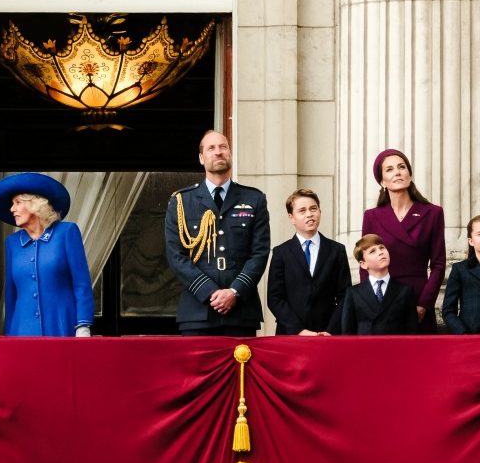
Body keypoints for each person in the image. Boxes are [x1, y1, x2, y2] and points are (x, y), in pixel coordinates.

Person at [164, 130, 270, 336]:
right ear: (201, 158)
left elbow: (260, 253)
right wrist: (210, 292)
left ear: (230, 153)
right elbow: (175, 256)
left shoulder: (254, 199)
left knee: (241, 369)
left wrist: (234, 291)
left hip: (241, 311)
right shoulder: (181, 202)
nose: (218, 152)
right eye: (211, 148)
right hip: (197, 311)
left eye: (223, 147)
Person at [0, 172, 93, 337]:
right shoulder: (12, 243)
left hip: (62, 327)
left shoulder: (66, 233)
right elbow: (11, 294)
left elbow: (81, 283)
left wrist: (83, 325)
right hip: (22, 332)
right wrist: (9, 334)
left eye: (17, 203)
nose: (12, 209)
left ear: (35, 204)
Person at [361, 148, 446, 333]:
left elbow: (438, 264)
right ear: (382, 181)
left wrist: (424, 303)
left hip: (418, 297)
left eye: (402, 167)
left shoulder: (432, 213)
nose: (397, 172)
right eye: (389, 169)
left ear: (409, 173)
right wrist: (369, 301)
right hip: (383, 298)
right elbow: (365, 264)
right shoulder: (372, 216)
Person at [267, 189, 351, 335]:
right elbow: (274, 298)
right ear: (291, 217)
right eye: (302, 210)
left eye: (313, 209)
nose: (309, 214)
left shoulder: (336, 250)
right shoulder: (281, 252)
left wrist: (330, 330)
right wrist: (299, 330)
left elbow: (345, 295)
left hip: (327, 334)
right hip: (290, 334)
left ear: (320, 211)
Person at [339, 234, 419, 335]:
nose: (380, 252)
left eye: (382, 248)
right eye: (373, 251)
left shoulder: (405, 291)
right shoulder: (353, 293)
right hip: (365, 349)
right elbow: (347, 332)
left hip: (396, 349)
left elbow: (411, 331)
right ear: (363, 264)